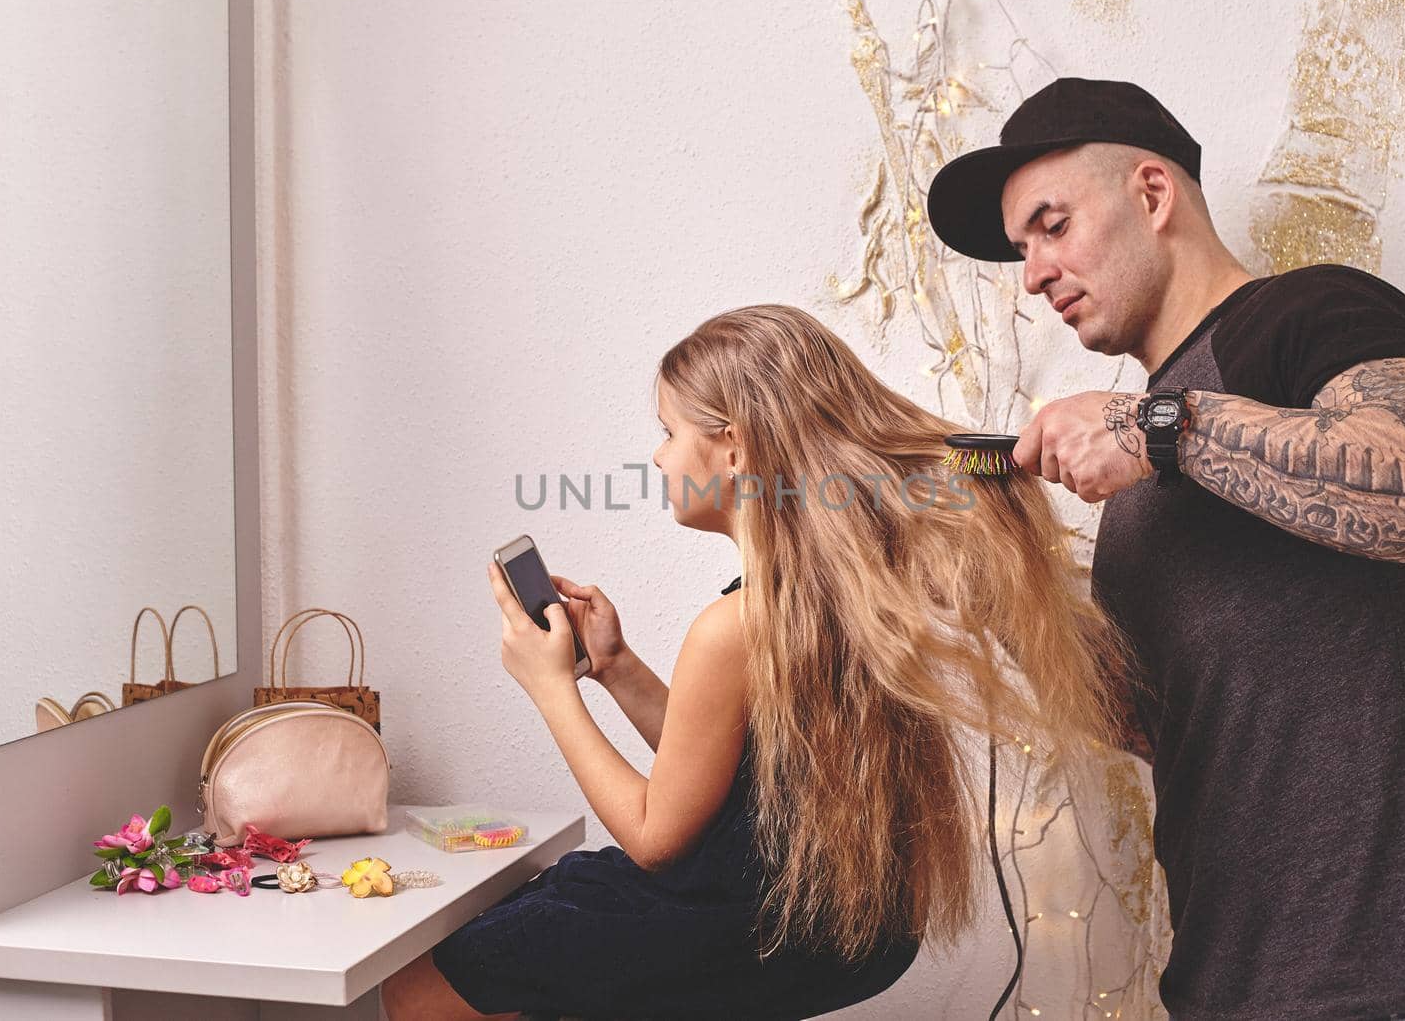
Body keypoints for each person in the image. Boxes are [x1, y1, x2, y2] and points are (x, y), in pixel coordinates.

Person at [926, 75, 1405, 1020]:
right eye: (1021, 250)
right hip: (1228, 980)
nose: (1035, 273)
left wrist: (1158, 428)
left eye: (1052, 225)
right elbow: (1158, 725)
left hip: (1391, 973)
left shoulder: (1304, 316)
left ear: (1153, 194)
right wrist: (1007, 594)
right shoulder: (1136, 504)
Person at [382, 303, 1137, 1020]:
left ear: (735, 447)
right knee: (533, 917)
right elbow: (736, 776)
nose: (656, 453)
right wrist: (615, 667)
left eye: (669, 430)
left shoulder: (733, 626)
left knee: (422, 989)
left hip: (753, 922)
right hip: (840, 925)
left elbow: (655, 835)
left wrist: (551, 690)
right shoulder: (830, 599)